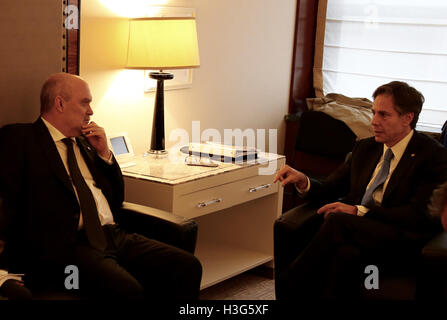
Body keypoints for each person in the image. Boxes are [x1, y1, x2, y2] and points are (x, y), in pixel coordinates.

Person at [0, 73, 202, 299]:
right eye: (85, 102)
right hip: (71, 246)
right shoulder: (21, 138)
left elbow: (116, 199)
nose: (91, 111)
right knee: (127, 290)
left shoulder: (87, 144)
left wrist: (105, 154)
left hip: (113, 235)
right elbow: (6, 202)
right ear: (59, 103)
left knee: (188, 266)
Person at [274, 81, 447, 299]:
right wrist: (303, 181)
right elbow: (331, 187)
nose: (374, 121)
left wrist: (359, 211)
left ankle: (289, 285)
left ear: (407, 118)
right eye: (374, 113)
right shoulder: (365, 148)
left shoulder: (432, 156)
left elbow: (419, 215)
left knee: (337, 220)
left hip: (399, 235)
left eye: (384, 115)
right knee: (345, 253)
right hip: (358, 231)